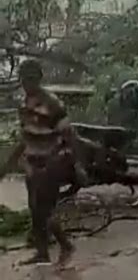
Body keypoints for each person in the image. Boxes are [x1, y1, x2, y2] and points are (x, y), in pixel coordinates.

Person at [0, 59, 86, 266]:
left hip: (51, 163)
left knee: (44, 211)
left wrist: (78, 165)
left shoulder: (52, 102)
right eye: (25, 79)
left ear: (39, 78)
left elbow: (70, 135)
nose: (27, 83)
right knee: (35, 211)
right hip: (32, 164)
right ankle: (49, 250)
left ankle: (58, 248)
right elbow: (25, 139)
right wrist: (7, 166)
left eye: (31, 79)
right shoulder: (24, 105)